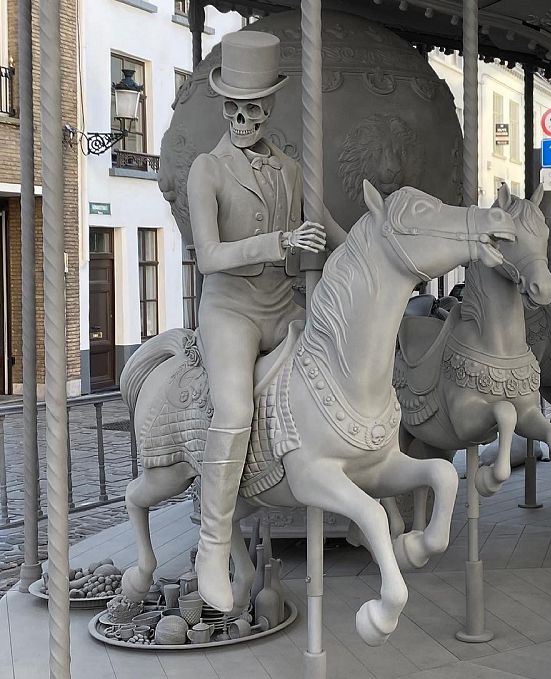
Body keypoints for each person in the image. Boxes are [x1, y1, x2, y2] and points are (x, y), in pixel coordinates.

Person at [187, 30, 346, 612]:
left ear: (270, 107)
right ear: (223, 106)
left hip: (282, 304)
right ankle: (211, 544)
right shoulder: (207, 169)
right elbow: (210, 256)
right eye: (232, 106)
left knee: (342, 368)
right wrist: (278, 241)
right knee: (233, 407)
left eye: (252, 107)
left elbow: (327, 225)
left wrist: (377, 258)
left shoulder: (290, 167)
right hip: (230, 307)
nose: (242, 118)